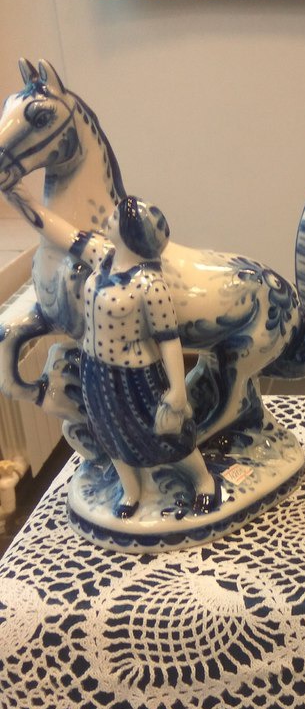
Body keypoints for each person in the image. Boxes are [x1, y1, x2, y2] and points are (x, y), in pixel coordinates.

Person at [5, 184, 216, 518]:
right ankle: (131, 489)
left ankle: (203, 481)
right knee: (109, 432)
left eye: (117, 217)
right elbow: (60, 232)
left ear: (132, 234)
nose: (110, 217)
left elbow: (168, 339)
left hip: (137, 376)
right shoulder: (102, 257)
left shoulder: (150, 285)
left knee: (165, 436)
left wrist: (177, 389)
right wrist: (23, 200)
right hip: (95, 368)